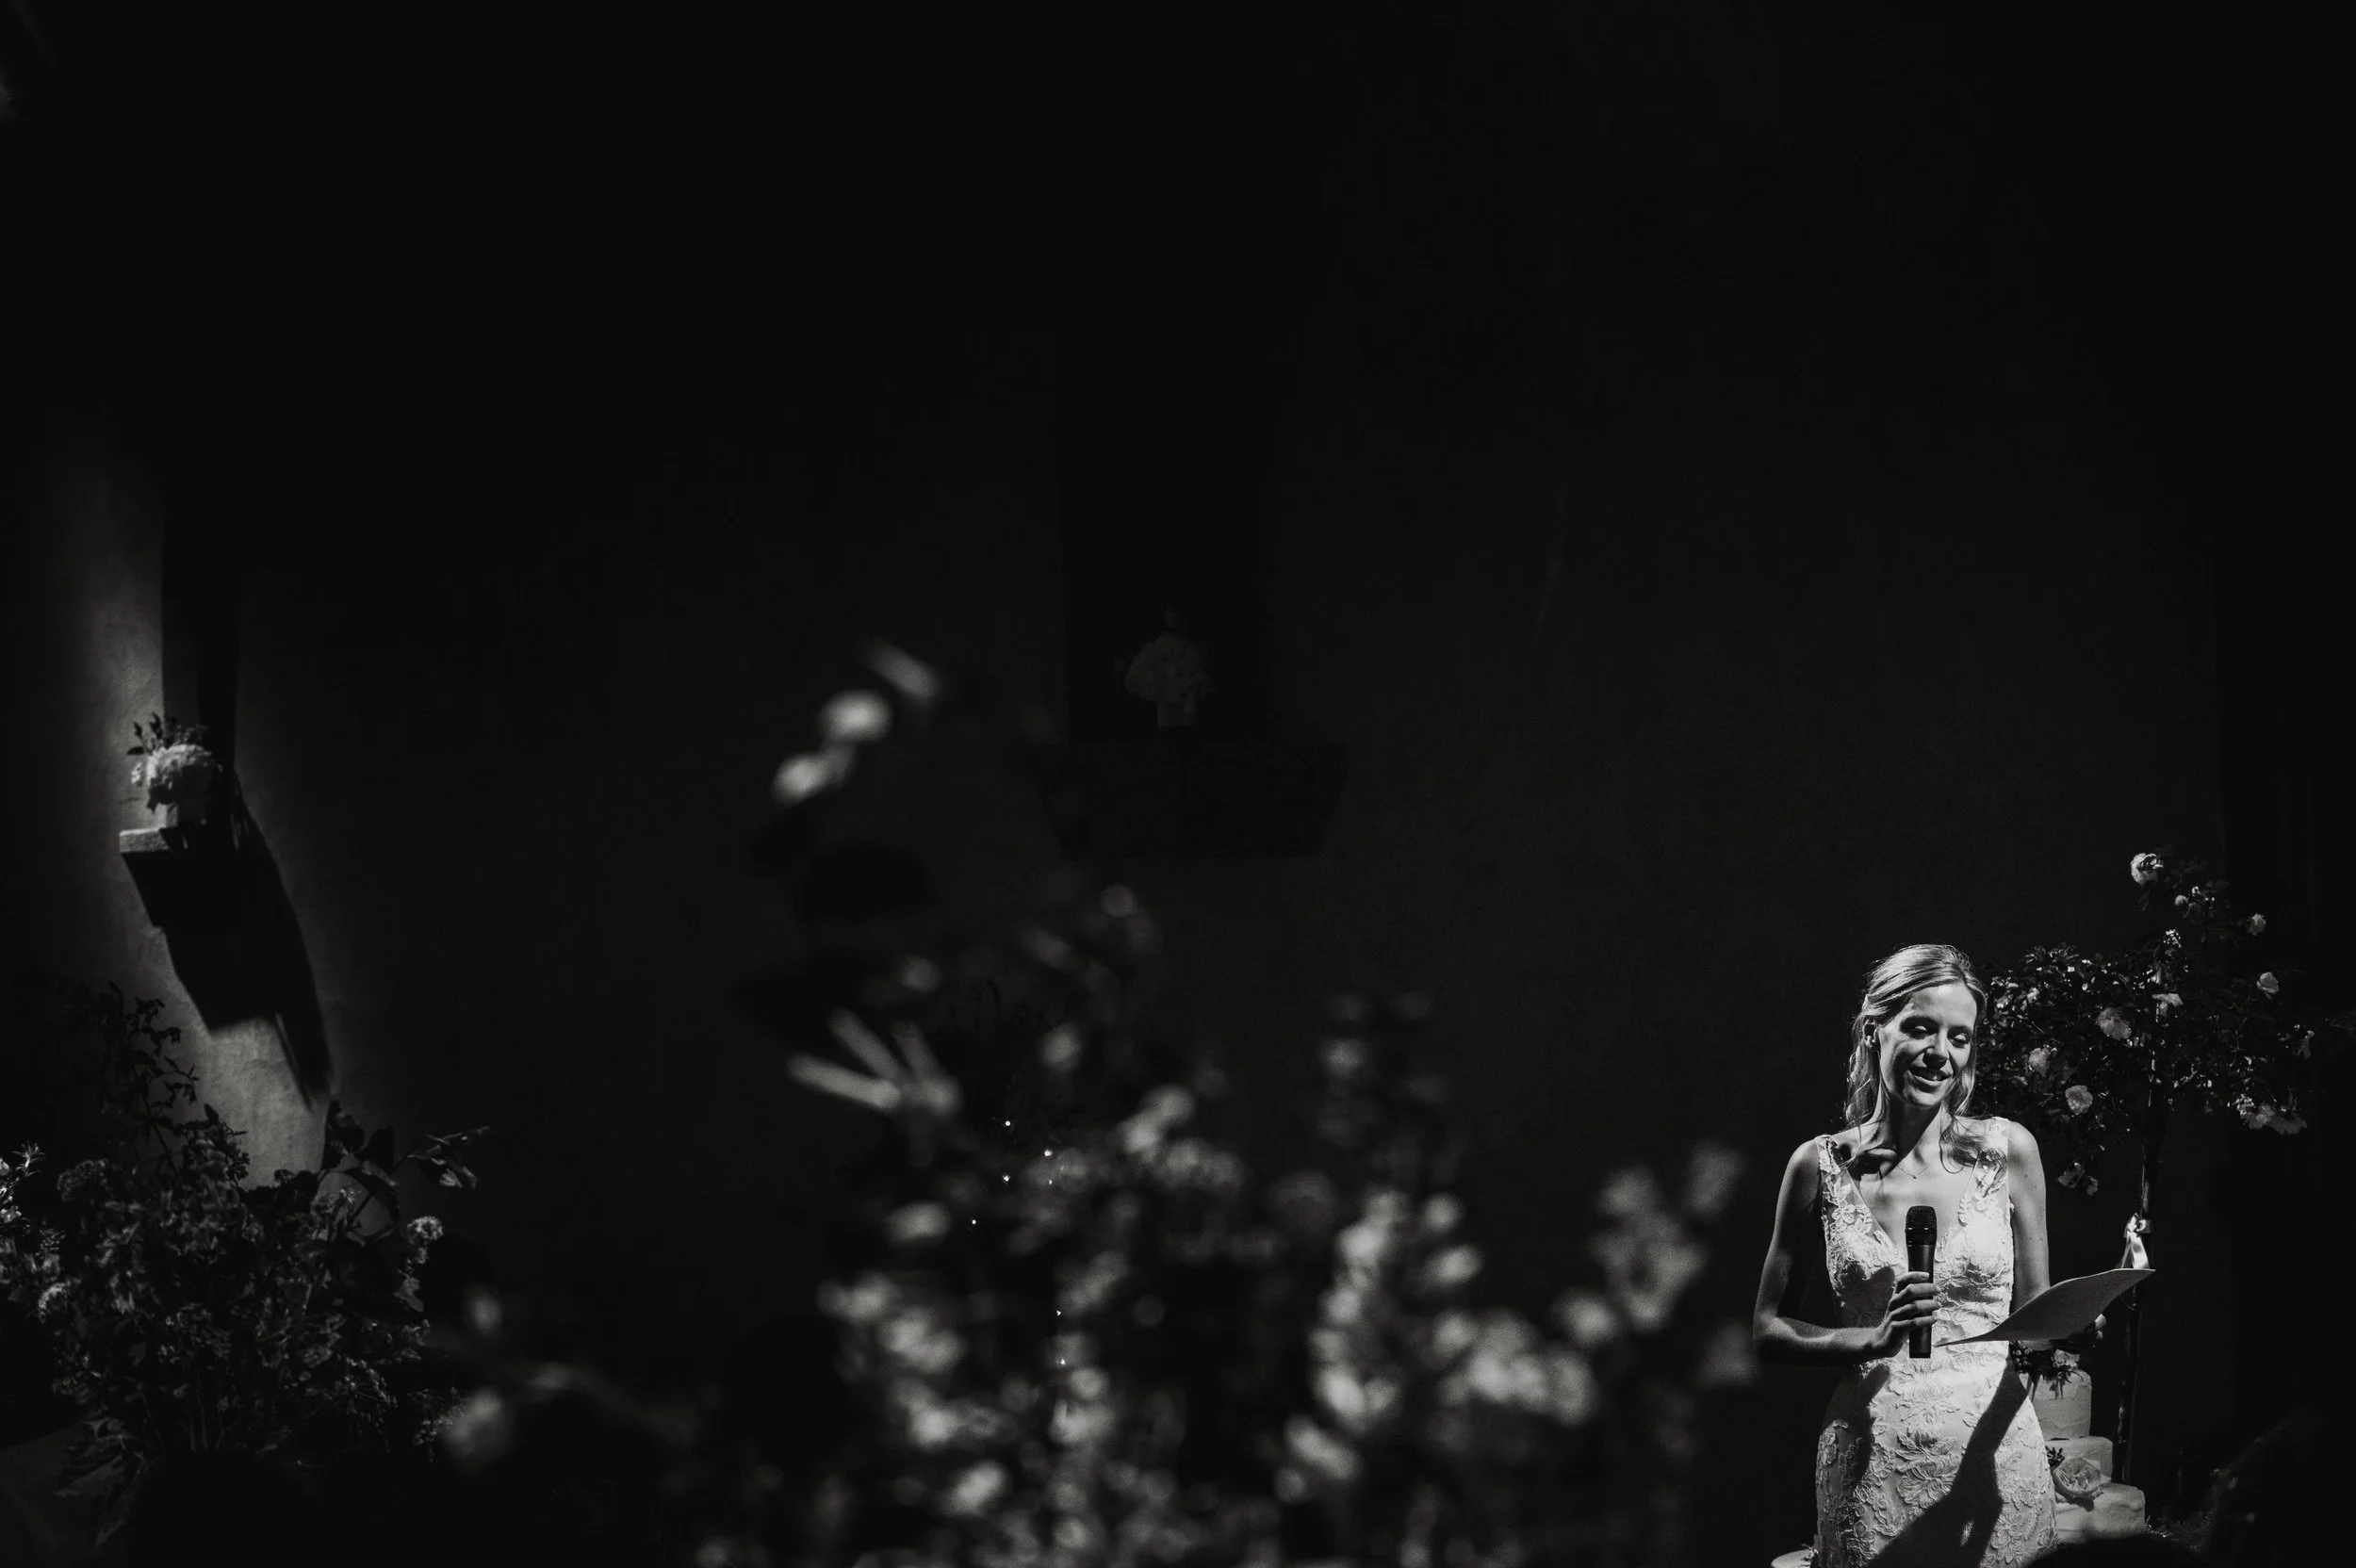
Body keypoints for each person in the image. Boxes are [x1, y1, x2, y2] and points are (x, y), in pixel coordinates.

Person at [1753, 944, 2057, 1566]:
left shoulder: (2010, 1152)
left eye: (1959, 1037)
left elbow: (2039, 1322)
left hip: (1993, 1453)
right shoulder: (1819, 1166)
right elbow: (1767, 1328)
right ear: (1874, 1030)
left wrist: (2074, 1325)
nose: (1938, 1053)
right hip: (1874, 1463)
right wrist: (1865, 1341)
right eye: (1919, 1027)